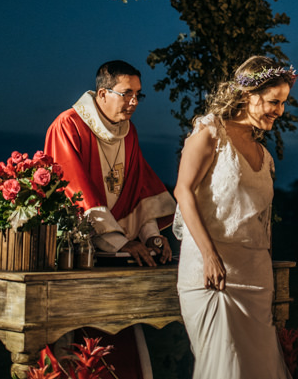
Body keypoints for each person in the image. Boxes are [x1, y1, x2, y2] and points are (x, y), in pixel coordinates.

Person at [44, 59, 177, 379]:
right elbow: (76, 192)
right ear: (102, 93)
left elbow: (137, 192)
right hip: (75, 256)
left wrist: (150, 237)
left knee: (119, 342)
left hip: (115, 257)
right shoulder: (69, 125)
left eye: (138, 95)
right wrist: (122, 243)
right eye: (126, 94)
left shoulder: (127, 134)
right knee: (75, 349)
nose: (133, 103)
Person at [173, 56, 296, 379]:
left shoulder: (264, 156)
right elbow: (183, 192)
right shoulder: (210, 132)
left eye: (283, 103)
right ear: (248, 95)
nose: (279, 111)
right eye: (273, 101)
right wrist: (210, 257)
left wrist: (266, 269)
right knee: (225, 368)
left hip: (255, 278)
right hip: (213, 276)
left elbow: (261, 221)